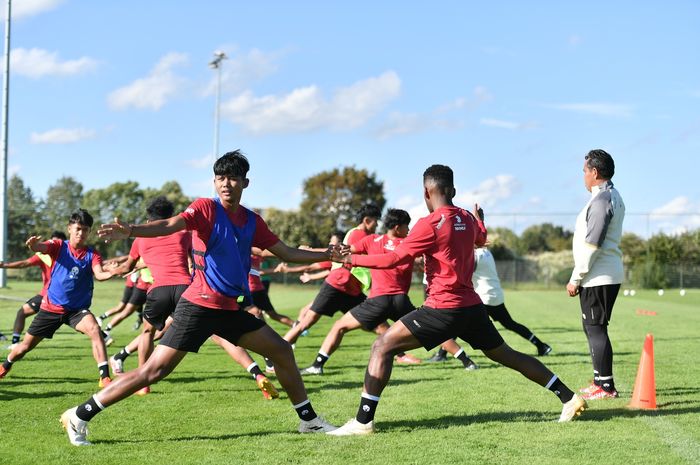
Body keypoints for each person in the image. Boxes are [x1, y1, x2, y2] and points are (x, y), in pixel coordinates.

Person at [60, 151, 336, 446]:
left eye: (231, 177)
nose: (225, 183)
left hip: (229, 309)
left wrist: (328, 254)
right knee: (154, 371)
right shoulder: (206, 208)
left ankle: (309, 421)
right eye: (219, 177)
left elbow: (287, 252)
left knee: (281, 350)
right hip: (199, 306)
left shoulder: (252, 221)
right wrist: (132, 231)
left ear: (245, 182)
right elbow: (170, 224)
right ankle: (78, 415)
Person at [327, 164, 586, 435]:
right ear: (453, 190)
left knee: (382, 346)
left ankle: (363, 422)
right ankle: (569, 397)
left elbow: (395, 258)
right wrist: (480, 220)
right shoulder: (466, 218)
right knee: (508, 355)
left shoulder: (428, 224)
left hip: (442, 308)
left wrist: (349, 258)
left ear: (427, 192)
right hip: (472, 308)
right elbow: (481, 238)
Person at [0, 210, 115, 387]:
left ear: (89, 232)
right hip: (50, 309)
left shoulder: (93, 254)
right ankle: (5, 365)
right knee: (24, 347)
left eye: (85, 230)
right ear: (69, 228)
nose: (81, 233)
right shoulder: (59, 246)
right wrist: (34, 246)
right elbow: (42, 248)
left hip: (76, 311)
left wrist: (112, 273)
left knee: (94, 329)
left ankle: (105, 378)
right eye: (77, 228)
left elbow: (99, 274)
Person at [300, 208, 421, 375]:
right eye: (407, 226)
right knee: (431, 326)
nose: (408, 230)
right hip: (401, 300)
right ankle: (464, 359)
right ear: (398, 227)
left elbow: (341, 251)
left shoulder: (372, 240)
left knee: (339, 327)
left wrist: (311, 250)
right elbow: (423, 261)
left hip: (378, 301)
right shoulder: (407, 245)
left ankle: (317, 365)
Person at [426, 245, 552, 363]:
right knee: (510, 323)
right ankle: (541, 345)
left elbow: (465, 271)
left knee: (459, 324)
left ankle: (443, 355)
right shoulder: (486, 252)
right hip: (495, 295)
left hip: (484, 297)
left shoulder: (476, 254)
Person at [567, 149, 625, 400]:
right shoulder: (610, 195)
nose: (583, 176)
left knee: (596, 328)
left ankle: (606, 387)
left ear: (595, 172)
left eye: (584, 171)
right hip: (602, 274)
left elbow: (593, 244)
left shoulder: (602, 200)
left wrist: (576, 277)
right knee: (593, 327)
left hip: (598, 275)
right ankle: (599, 380)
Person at [281, 204, 381, 347]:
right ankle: (275, 356)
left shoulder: (358, 234)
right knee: (306, 322)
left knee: (375, 322)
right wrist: (312, 250)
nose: (377, 225)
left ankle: (399, 354)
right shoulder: (359, 235)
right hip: (339, 283)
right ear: (367, 220)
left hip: (351, 288)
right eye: (376, 221)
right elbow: (338, 253)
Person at [0, 231, 67, 348]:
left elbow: (24, 263)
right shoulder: (47, 254)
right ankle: (16, 343)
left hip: (51, 295)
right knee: (23, 312)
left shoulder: (54, 255)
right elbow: (24, 263)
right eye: (53, 242)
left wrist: (4, 265)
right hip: (58, 296)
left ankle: (15, 344)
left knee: (70, 318)